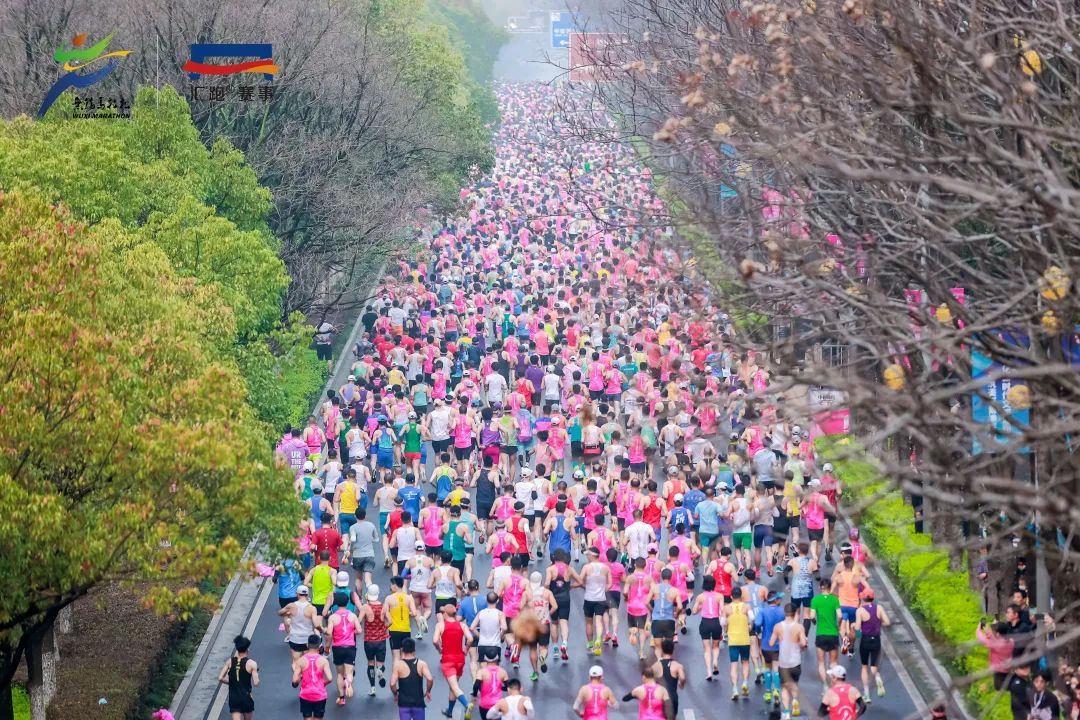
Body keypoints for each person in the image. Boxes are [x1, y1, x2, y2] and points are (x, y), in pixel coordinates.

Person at [432, 599, 472, 718]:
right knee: (453, 686)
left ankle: (467, 705)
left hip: (448, 660)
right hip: (460, 659)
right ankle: (449, 711)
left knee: (454, 686)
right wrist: (466, 649)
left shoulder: (440, 625)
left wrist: (439, 650)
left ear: (445, 614)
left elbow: (434, 640)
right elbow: (470, 639)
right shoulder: (462, 625)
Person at [770, 602, 807, 720]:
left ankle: (786, 712)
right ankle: (795, 701)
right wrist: (800, 646)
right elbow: (804, 643)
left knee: (784, 687)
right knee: (794, 683)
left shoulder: (777, 627)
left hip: (783, 662)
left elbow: (771, 643)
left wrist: (780, 641)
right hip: (795, 661)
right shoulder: (799, 627)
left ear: (784, 613)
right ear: (795, 612)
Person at [324, 590, 362, 705]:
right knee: (349, 672)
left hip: (337, 647)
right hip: (350, 646)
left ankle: (341, 698)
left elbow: (329, 632)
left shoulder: (333, 617)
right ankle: (348, 681)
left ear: (336, 603)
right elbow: (359, 630)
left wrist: (324, 630)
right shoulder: (352, 615)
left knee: (340, 673)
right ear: (347, 602)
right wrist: (351, 632)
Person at [854, 588, 891, 701]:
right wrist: (879, 624)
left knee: (864, 666)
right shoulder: (879, 608)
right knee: (874, 666)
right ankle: (878, 677)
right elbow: (888, 622)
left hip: (865, 640)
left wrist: (854, 628)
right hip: (876, 640)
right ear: (873, 597)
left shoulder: (860, 611)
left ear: (863, 598)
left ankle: (867, 694)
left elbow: (857, 628)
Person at [391, 637, 434, 720]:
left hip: (404, 704)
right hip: (418, 703)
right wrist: (428, 691)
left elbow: (392, 684)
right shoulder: (421, 664)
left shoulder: (398, 665)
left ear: (402, 650)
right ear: (414, 650)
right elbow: (430, 679)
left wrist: (396, 695)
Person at [291, 633, 333, 720]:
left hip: (306, 694)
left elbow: (295, 681)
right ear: (319, 646)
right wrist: (323, 684)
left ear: (307, 645)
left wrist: (300, 678)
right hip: (320, 695)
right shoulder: (323, 661)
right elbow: (330, 678)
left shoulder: (301, 661)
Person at [724, 585, 754, 700]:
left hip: (733, 640)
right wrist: (749, 626)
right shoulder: (746, 606)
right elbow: (752, 618)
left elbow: (723, 623)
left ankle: (735, 689)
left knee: (734, 664)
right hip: (744, 639)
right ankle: (745, 682)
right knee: (745, 662)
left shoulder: (726, 608)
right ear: (741, 596)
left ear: (731, 596)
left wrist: (727, 627)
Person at [218, 635, 259, 720]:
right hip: (246, 697)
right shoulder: (252, 664)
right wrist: (255, 673)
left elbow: (220, 678)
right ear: (247, 649)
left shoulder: (229, 661)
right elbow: (256, 683)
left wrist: (232, 682)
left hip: (234, 698)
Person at [810, 577, 842, 682]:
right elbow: (840, 615)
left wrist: (815, 622)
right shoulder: (835, 600)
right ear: (829, 587)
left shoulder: (815, 600)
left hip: (821, 634)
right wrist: (838, 625)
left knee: (821, 663)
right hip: (833, 634)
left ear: (820, 587)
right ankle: (835, 684)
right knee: (833, 663)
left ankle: (824, 686)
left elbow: (812, 616)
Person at [359, 584, 389, 697]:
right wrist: (383, 628)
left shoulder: (366, 607)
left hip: (369, 640)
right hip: (381, 640)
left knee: (370, 662)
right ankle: (380, 671)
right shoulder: (383, 607)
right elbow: (390, 621)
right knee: (380, 664)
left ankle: (372, 688)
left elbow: (359, 620)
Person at [690, 575, 723, 676]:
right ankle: (715, 661)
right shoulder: (719, 596)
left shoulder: (700, 597)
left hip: (705, 623)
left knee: (706, 648)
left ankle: (709, 671)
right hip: (716, 622)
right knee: (716, 646)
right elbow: (722, 611)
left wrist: (700, 607)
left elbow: (693, 611)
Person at [280, 586, 321, 661]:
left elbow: (280, 612)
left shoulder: (291, 606)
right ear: (307, 595)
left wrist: (287, 613)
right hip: (307, 639)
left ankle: (296, 672)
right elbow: (316, 624)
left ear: (297, 594)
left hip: (294, 637)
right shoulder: (312, 608)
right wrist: (321, 630)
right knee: (307, 661)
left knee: (295, 662)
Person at [385, 575, 418, 663]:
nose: (390, 587)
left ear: (395, 585)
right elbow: (414, 613)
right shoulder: (409, 598)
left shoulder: (389, 598)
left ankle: (396, 675)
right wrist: (407, 612)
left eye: (391, 585)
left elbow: (385, 612)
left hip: (394, 630)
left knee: (396, 657)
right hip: (406, 630)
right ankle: (406, 674)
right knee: (405, 655)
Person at [344, 508, 379, 590]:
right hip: (369, 554)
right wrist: (369, 540)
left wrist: (350, 549)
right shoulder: (371, 525)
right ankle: (371, 593)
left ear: (355, 516)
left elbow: (353, 539)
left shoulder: (353, 527)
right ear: (365, 515)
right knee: (368, 579)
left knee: (358, 579)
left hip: (357, 555)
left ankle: (359, 599)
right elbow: (376, 539)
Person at [652, 638, 686, 717]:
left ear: (662, 650)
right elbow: (683, 678)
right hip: (672, 698)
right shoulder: (677, 665)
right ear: (673, 650)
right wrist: (681, 684)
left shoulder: (655, 666)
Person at [472, 648, 509, 720]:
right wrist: (500, 687)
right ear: (497, 658)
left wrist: (475, 695)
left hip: (484, 705)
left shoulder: (482, 672)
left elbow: (476, 685)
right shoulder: (503, 671)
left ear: (485, 659)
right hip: (498, 705)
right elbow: (508, 687)